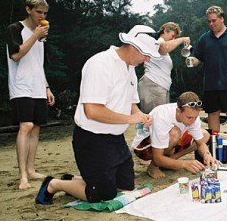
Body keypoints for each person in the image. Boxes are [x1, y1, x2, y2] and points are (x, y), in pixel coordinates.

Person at [35, 25, 160, 205]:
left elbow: (130, 102)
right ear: (133, 47)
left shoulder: (130, 67)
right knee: (102, 194)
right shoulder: (100, 64)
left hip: (116, 139)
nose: (147, 59)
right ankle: (54, 184)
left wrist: (140, 114)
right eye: (146, 54)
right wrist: (129, 119)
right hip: (92, 140)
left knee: (126, 186)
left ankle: (76, 180)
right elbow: (92, 110)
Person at [6, 0, 55, 190]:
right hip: (21, 85)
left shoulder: (41, 33)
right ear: (28, 10)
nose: (41, 16)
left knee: (36, 128)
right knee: (25, 125)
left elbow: (38, 64)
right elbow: (16, 55)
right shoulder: (15, 29)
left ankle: (32, 169)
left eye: (44, 13)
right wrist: (35, 36)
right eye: (38, 12)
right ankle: (23, 176)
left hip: (37, 86)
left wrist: (46, 87)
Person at [186, 5, 227, 141]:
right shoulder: (205, 38)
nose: (211, 24)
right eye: (209, 21)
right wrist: (191, 61)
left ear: (221, 19)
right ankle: (213, 148)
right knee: (212, 115)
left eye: (214, 20)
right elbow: (198, 58)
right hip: (211, 84)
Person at [133, 91, 219, 179]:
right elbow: (157, 158)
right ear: (178, 111)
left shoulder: (192, 115)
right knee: (175, 133)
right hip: (142, 148)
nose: (193, 121)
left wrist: (207, 154)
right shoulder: (162, 116)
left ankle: (168, 162)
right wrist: (184, 164)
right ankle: (154, 167)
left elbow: (200, 143)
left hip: (168, 144)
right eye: (189, 117)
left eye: (196, 117)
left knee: (205, 135)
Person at [138, 22, 190, 113]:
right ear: (165, 31)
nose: (173, 39)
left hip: (159, 86)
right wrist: (182, 39)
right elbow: (164, 48)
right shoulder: (159, 41)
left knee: (161, 119)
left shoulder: (161, 44)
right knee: (153, 119)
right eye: (172, 36)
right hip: (153, 84)